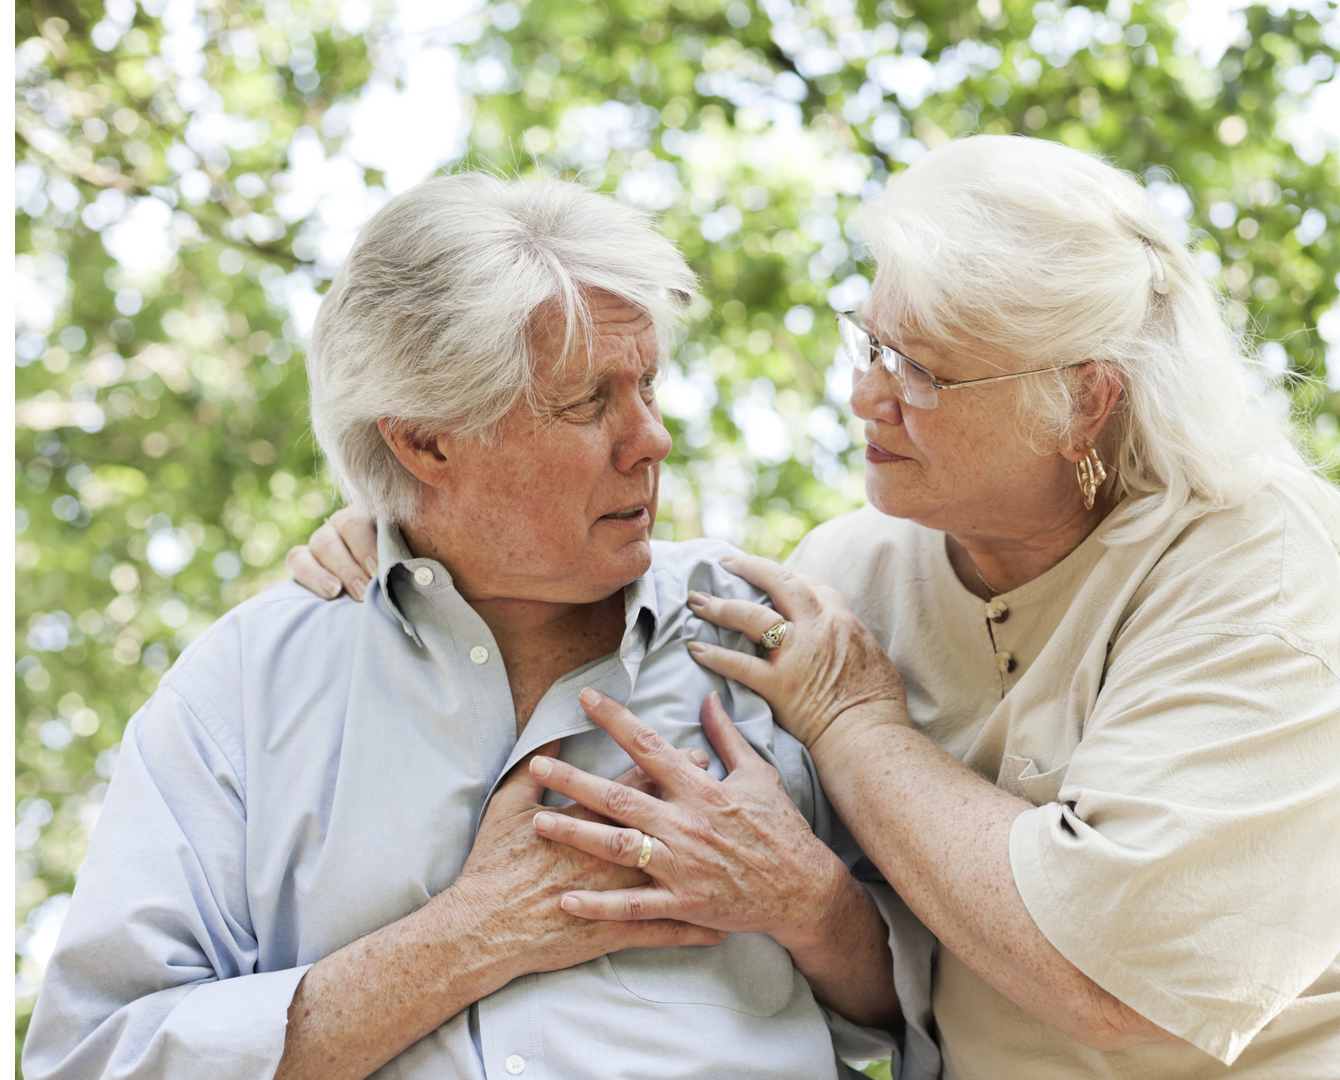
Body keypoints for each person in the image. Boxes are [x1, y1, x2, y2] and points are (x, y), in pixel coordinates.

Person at [293, 136, 1340, 1080]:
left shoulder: (1246, 576)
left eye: (924, 372)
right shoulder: (851, 570)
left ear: (1083, 399)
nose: (865, 394)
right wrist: (407, 528)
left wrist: (856, 724)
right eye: (871, 341)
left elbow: (1126, 984)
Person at [22, 174, 903, 1080]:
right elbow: (94, 1061)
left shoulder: (776, 642)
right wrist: (465, 939)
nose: (652, 439)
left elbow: (962, 1010)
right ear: (425, 443)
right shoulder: (245, 688)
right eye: (589, 401)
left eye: (647, 384)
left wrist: (812, 904)